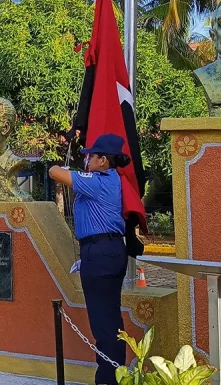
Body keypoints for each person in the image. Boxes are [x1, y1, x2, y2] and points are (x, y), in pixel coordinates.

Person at [49, 133, 131, 385]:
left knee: (103, 323)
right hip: (103, 250)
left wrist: (60, 167)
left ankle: (108, 379)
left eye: (91, 157)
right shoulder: (105, 180)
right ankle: (115, 375)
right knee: (109, 319)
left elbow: (54, 172)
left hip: (101, 252)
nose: (87, 161)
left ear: (103, 161)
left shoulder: (100, 181)